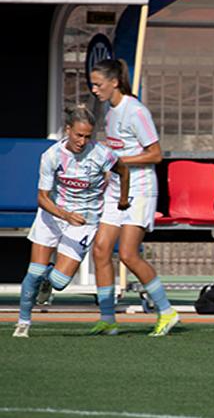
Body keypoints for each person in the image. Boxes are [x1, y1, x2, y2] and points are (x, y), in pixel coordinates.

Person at [13, 106, 130, 338]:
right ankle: (23, 322)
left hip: (84, 221)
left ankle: (48, 281)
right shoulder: (51, 156)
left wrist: (123, 200)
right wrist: (64, 215)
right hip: (52, 215)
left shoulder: (102, 154)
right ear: (68, 130)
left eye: (87, 136)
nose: (82, 141)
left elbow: (124, 171)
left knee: (59, 282)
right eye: (78, 135)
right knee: (34, 272)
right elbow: (42, 198)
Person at [89, 59, 179, 337]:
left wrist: (118, 161)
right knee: (100, 249)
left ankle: (167, 311)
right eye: (93, 84)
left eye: (98, 84)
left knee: (128, 254)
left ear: (114, 82)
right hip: (116, 189)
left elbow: (156, 154)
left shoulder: (136, 111)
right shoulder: (109, 111)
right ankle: (108, 319)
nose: (94, 89)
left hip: (140, 190)